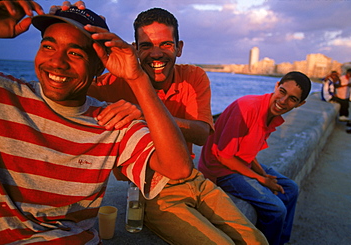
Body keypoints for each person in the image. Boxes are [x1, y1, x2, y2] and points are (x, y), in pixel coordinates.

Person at [0, 1, 194, 244]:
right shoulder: (4, 97)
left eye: (75, 53)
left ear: (99, 65)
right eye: (48, 46)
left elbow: (179, 168)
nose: (57, 62)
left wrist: (137, 78)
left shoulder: (111, 123)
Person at [87, 7, 268, 245]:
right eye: (146, 46)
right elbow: (66, 89)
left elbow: (202, 133)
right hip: (152, 193)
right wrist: (78, 29)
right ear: (135, 49)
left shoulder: (193, 77)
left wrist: (147, 113)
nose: (156, 54)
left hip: (195, 179)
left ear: (179, 48)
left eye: (165, 45)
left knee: (257, 240)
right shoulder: (113, 82)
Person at [199, 71, 312, 245]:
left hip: (239, 162)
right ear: (276, 86)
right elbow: (224, 156)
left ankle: (280, 240)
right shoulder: (248, 107)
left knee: (290, 189)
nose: (283, 101)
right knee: (276, 209)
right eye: (282, 91)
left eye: (292, 99)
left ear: (300, 104)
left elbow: (247, 153)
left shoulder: (270, 114)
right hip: (219, 169)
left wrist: (263, 175)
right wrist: (260, 179)